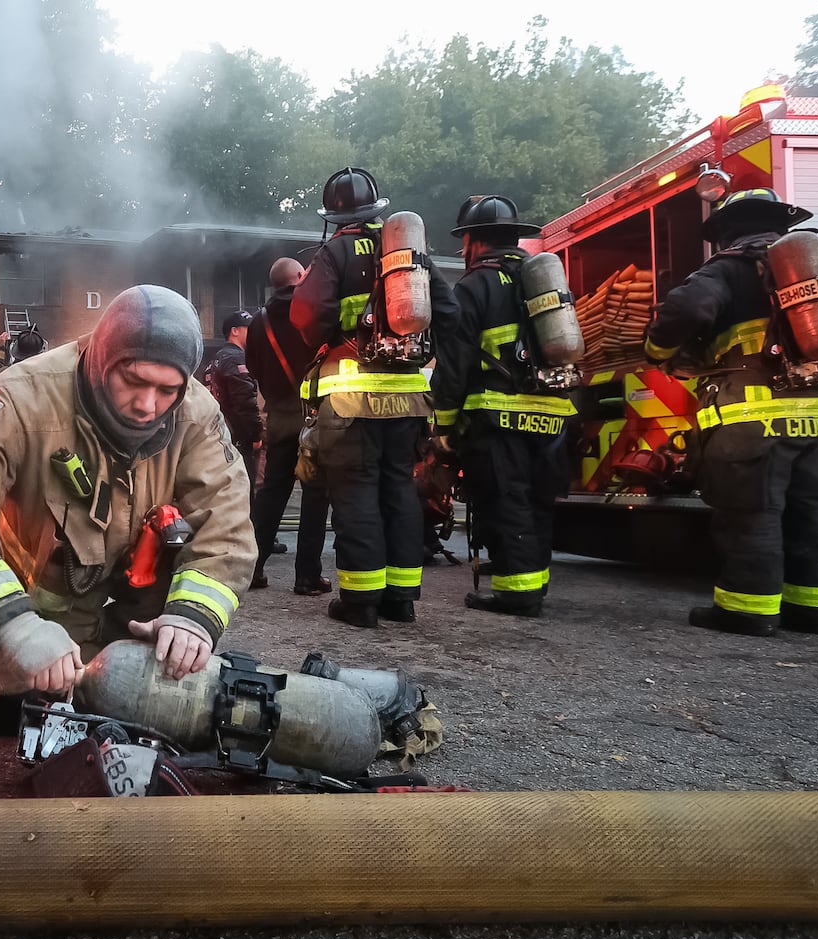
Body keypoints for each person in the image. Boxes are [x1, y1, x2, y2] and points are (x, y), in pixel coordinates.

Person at [0, 284, 255, 705]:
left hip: (144, 622)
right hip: (36, 616)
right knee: (23, 700)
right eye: (134, 381)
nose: (147, 405)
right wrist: (13, 625)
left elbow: (226, 522)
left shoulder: (195, 412)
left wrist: (192, 618)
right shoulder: (22, 399)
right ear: (104, 361)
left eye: (167, 390)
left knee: (160, 705)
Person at [643, 188, 818, 637]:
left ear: (725, 231)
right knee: (811, 512)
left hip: (752, 422)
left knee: (750, 514)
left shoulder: (726, 269)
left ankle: (747, 611)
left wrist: (659, 348)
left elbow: (687, 307)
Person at [291, 167, 458, 629]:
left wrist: (329, 337)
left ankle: (361, 601)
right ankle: (401, 599)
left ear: (333, 216)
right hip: (407, 399)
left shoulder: (336, 251)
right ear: (377, 208)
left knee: (355, 491)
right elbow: (448, 311)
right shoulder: (406, 253)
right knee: (399, 487)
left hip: (348, 399)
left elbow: (305, 313)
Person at [433, 194, 576, 618]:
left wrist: (443, 424)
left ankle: (517, 593)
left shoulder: (475, 285)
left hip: (497, 416)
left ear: (475, 241)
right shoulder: (542, 282)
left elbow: (455, 362)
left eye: (465, 243)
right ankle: (536, 580)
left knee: (506, 499)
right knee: (537, 501)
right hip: (553, 415)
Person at [246, 257, 331, 595]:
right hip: (314, 414)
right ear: (298, 277)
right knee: (316, 494)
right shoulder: (313, 312)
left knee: (271, 495)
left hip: (279, 417)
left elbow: (252, 367)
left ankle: (252, 568)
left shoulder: (258, 321)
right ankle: (307, 576)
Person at [199, 309, 264, 488]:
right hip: (238, 438)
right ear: (234, 331)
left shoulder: (215, 360)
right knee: (244, 490)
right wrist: (255, 435)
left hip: (216, 436)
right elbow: (244, 401)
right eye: (248, 329)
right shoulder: (236, 358)